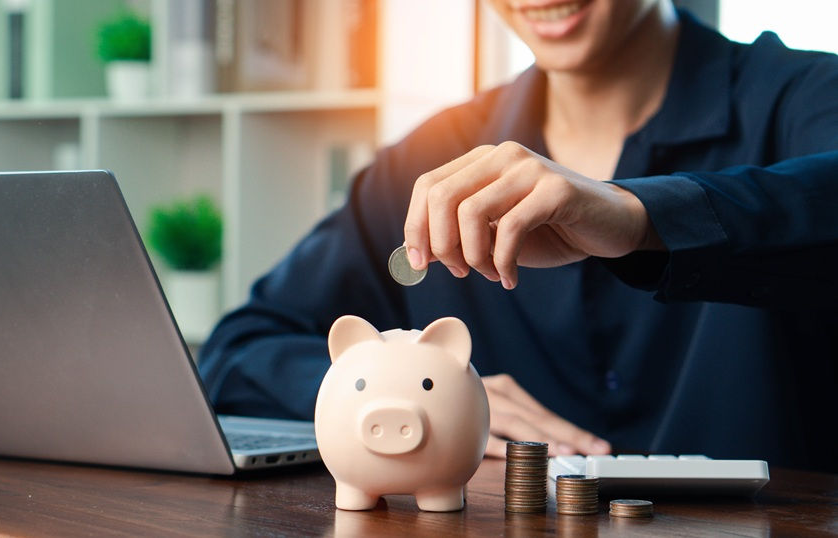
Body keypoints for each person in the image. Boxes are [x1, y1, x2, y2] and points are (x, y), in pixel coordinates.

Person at [199, 0, 838, 472]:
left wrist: (635, 215)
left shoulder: (804, 96)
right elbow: (239, 350)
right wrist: (391, 388)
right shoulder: (428, 161)